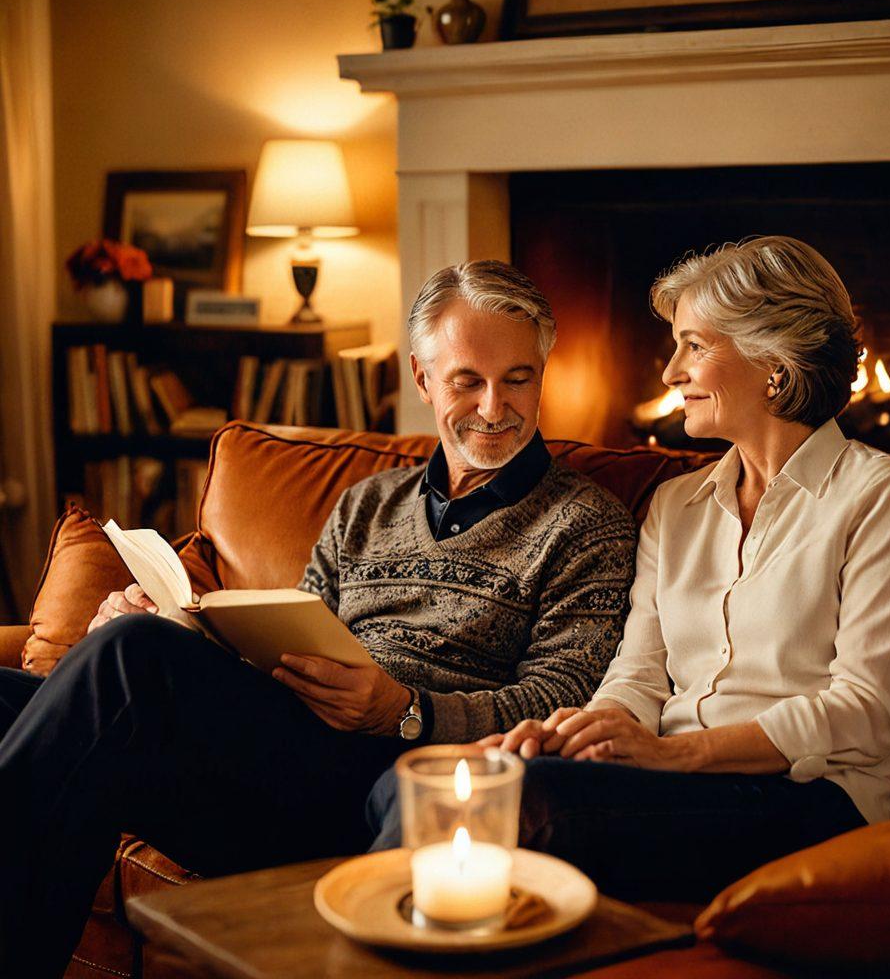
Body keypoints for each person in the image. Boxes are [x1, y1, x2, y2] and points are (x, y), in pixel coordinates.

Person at [0, 260, 636, 977]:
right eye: (468, 381)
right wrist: (182, 630)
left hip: (387, 785)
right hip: (279, 757)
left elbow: (563, 698)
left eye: (518, 379)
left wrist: (406, 712)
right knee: (32, 685)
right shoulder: (367, 504)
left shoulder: (586, 524)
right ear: (423, 379)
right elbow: (288, 635)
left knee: (128, 660)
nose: (495, 407)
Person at [367, 237, 890, 902]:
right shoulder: (677, 505)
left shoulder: (887, 497)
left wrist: (673, 754)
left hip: (812, 800)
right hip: (673, 784)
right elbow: (639, 673)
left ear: (774, 362)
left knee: (524, 803)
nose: (672, 371)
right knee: (414, 785)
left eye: (694, 346)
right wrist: (580, 734)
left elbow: (868, 710)